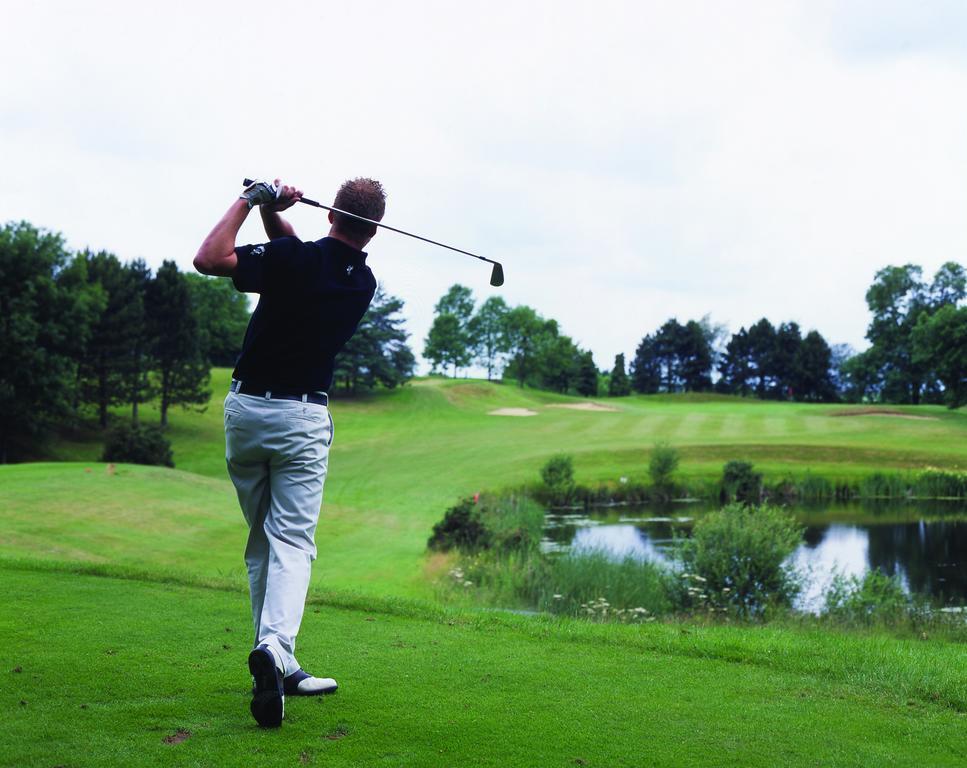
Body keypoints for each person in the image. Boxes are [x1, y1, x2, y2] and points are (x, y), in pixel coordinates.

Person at [193, 177, 384, 727]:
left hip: (247, 411)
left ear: (331, 215)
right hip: (301, 418)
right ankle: (275, 651)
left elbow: (212, 258)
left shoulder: (293, 259)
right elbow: (296, 258)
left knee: (262, 543)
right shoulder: (361, 283)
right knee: (293, 541)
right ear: (372, 229)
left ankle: (281, 663)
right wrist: (273, 213)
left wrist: (254, 201)